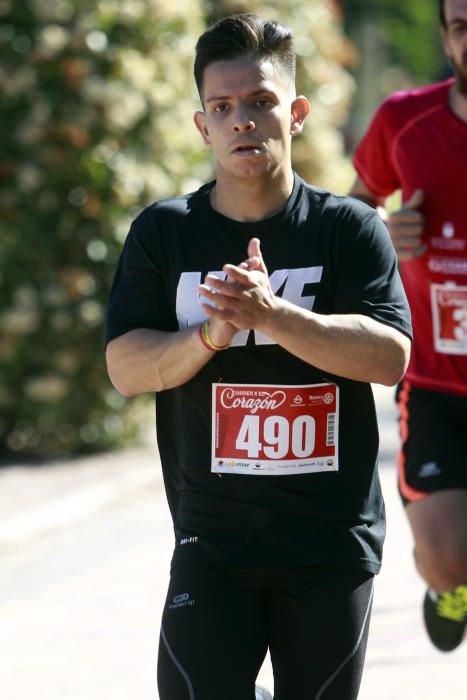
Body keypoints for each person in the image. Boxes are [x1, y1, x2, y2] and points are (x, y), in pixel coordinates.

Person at [105, 14, 411, 699]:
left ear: (295, 113)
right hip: (212, 546)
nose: (241, 120)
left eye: (260, 102)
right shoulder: (166, 232)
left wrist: (273, 315)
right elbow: (126, 368)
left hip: (329, 547)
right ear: (201, 125)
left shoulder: (346, 229)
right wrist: (209, 334)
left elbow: (389, 357)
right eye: (222, 107)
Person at [349, 0, 467, 653]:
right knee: (450, 559)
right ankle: (449, 582)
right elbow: (352, 209)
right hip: (437, 385)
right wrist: (383, 232)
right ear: (447, 40)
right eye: (460, 25)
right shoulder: (403, 120)